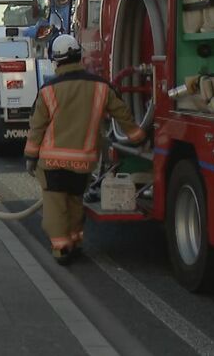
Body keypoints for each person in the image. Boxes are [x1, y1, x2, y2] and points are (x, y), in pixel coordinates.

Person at [24, 34, 146, 265]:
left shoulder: (48, 91)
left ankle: (61, 250)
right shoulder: (101, 88)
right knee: (74, 203)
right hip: (84, 163)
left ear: (56, 61)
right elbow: (123, 114)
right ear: (79, 56)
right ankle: (76, 242)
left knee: (56, 208)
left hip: (52, 164)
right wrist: (139, 137)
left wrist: (30, 156)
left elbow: (36, 127)